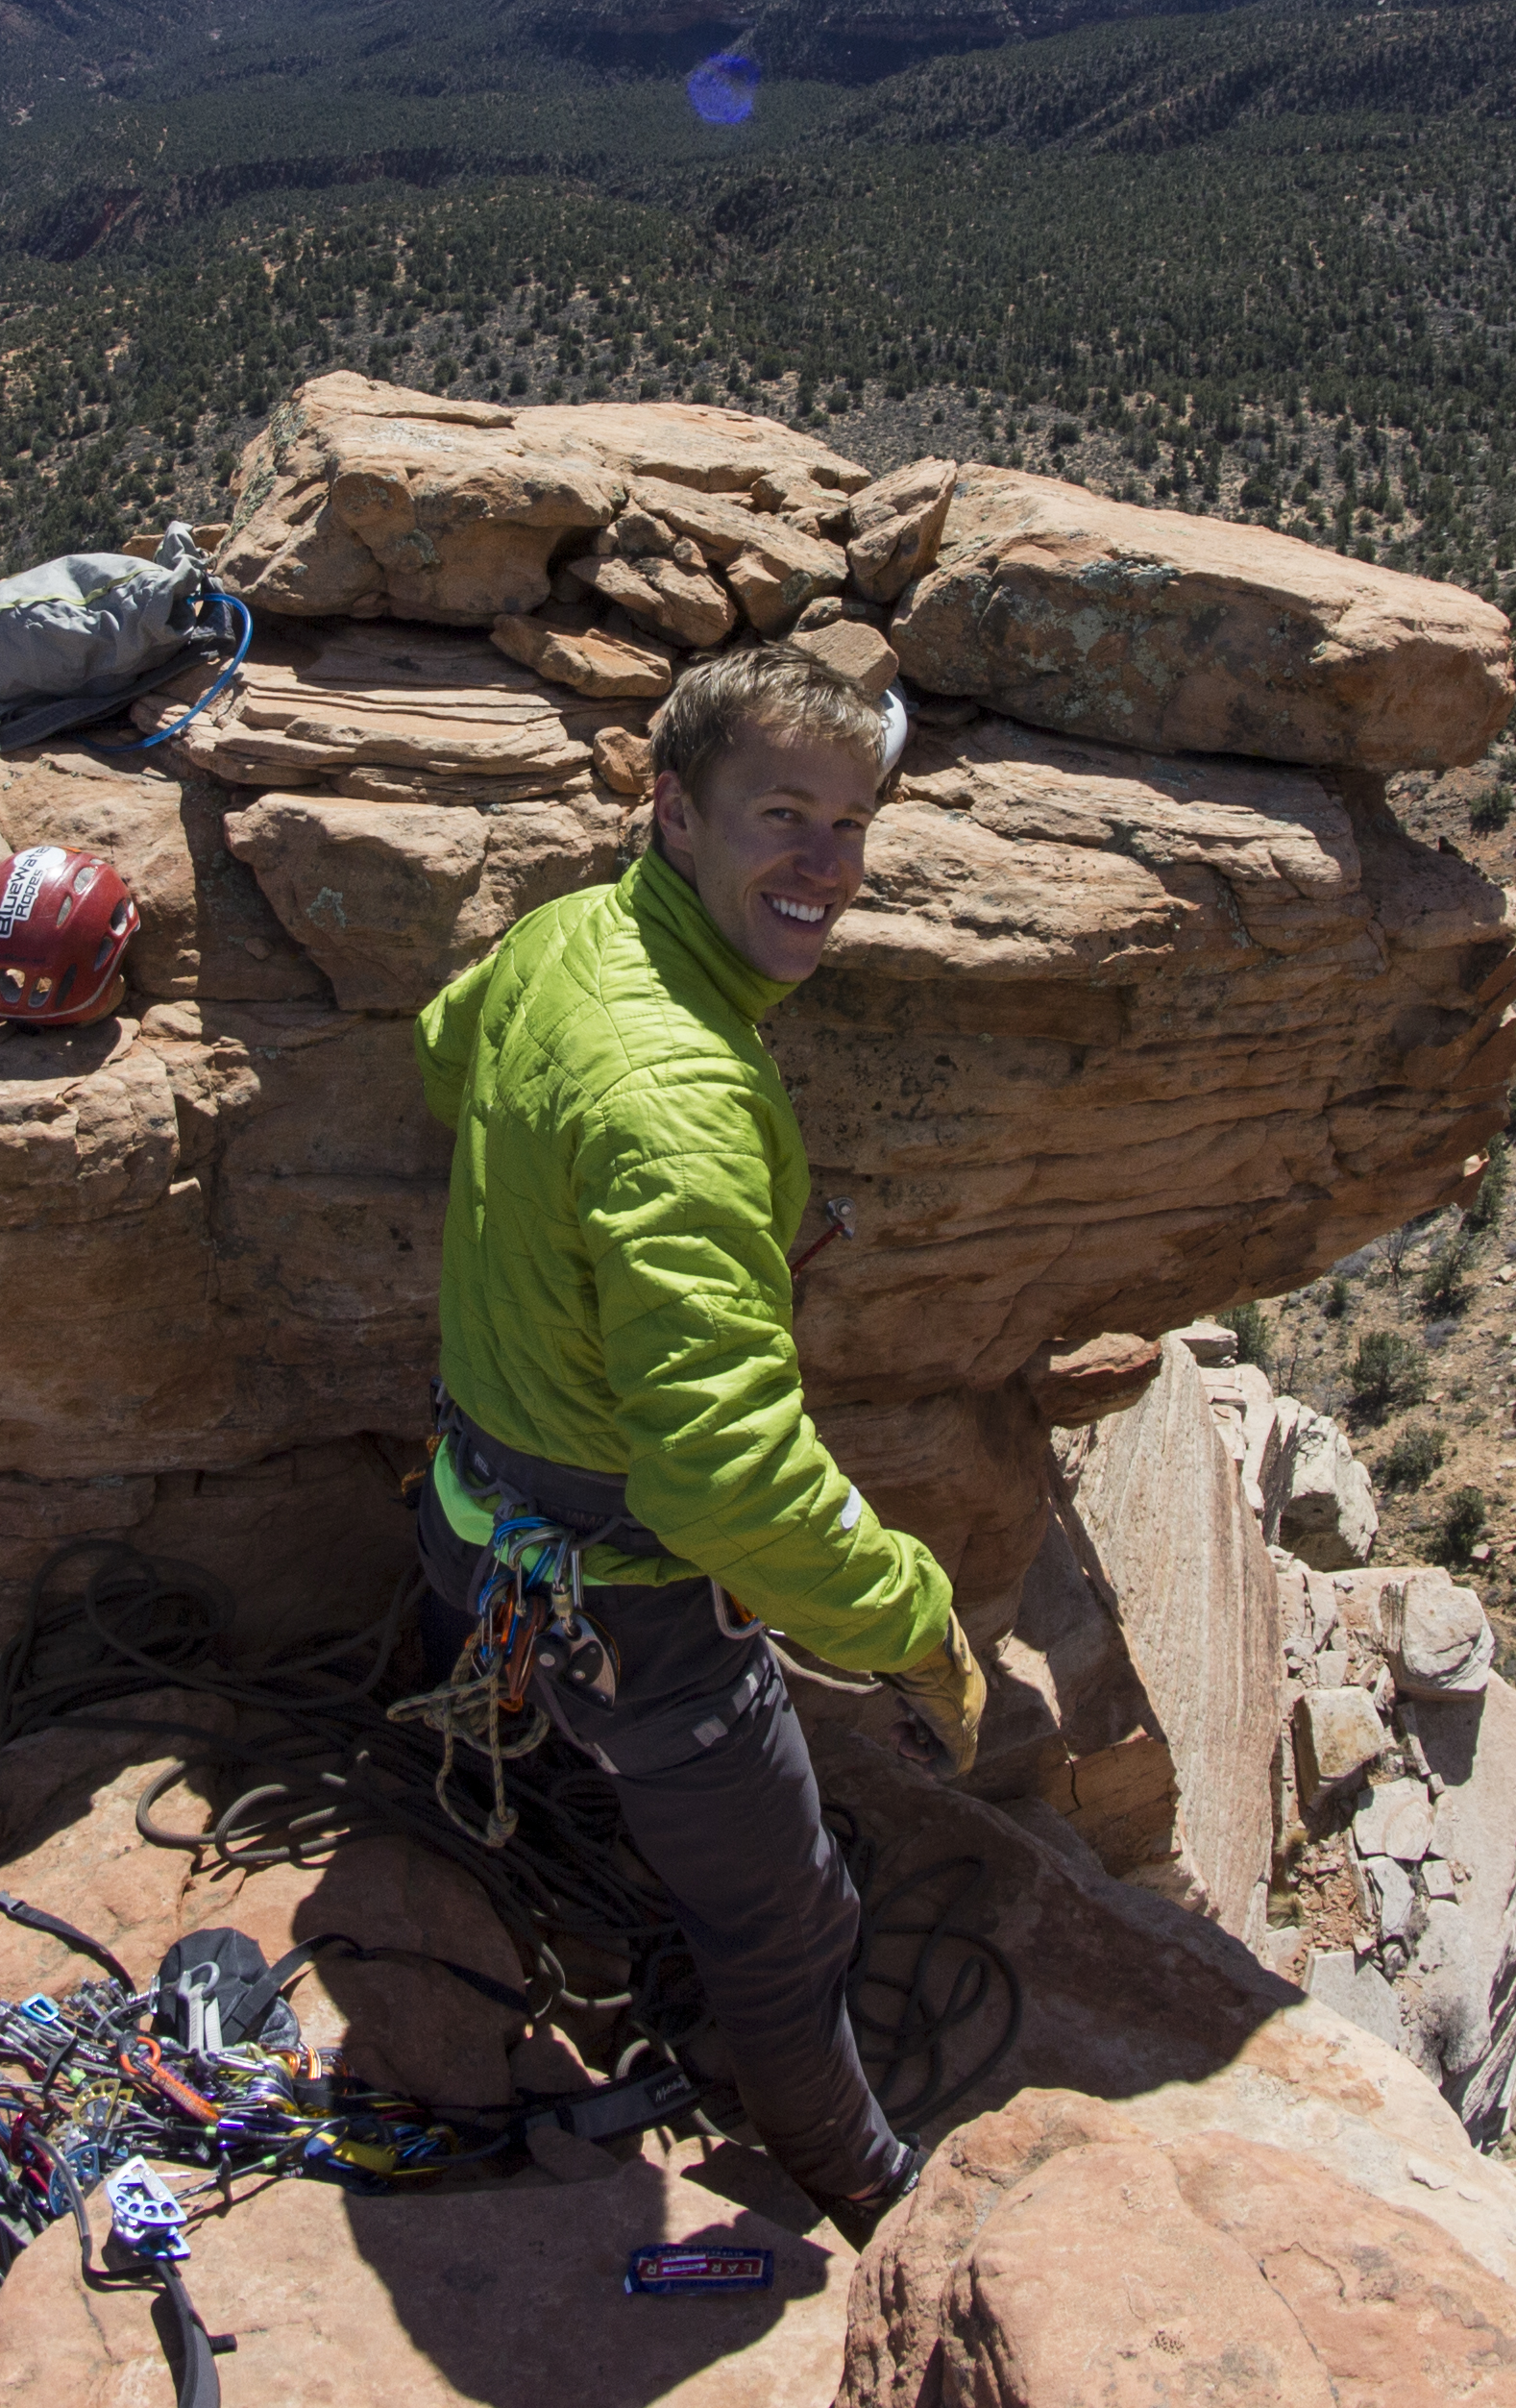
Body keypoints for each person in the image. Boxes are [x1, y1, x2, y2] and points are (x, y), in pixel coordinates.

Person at [406, 637, 990, 2245]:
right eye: (781, 817)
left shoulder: (562, 943)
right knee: (789, 1910)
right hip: (633, 1609)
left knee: (561, 1756)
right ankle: (856, 2177)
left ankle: (563, 1835)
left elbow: (444, 1052)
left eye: (852, 826)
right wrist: (917, 1628)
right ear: (672, 812)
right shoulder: (680, 1099)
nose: (827, 865)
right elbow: (725, 1481)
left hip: (470, 1517)